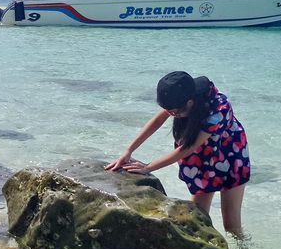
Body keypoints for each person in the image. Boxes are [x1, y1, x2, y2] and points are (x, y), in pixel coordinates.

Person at [105, 71, 250, 235]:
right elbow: (157, 121)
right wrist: (128, 150)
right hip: (202, 159)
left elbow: (187, 148)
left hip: (230, 157)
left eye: (174, 112)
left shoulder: (218, 110)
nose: (171, 115)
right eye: (169, 110)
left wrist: (148, 167)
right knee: (197, 218)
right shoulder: (179, 93)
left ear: (190, 102)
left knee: (231, 224)